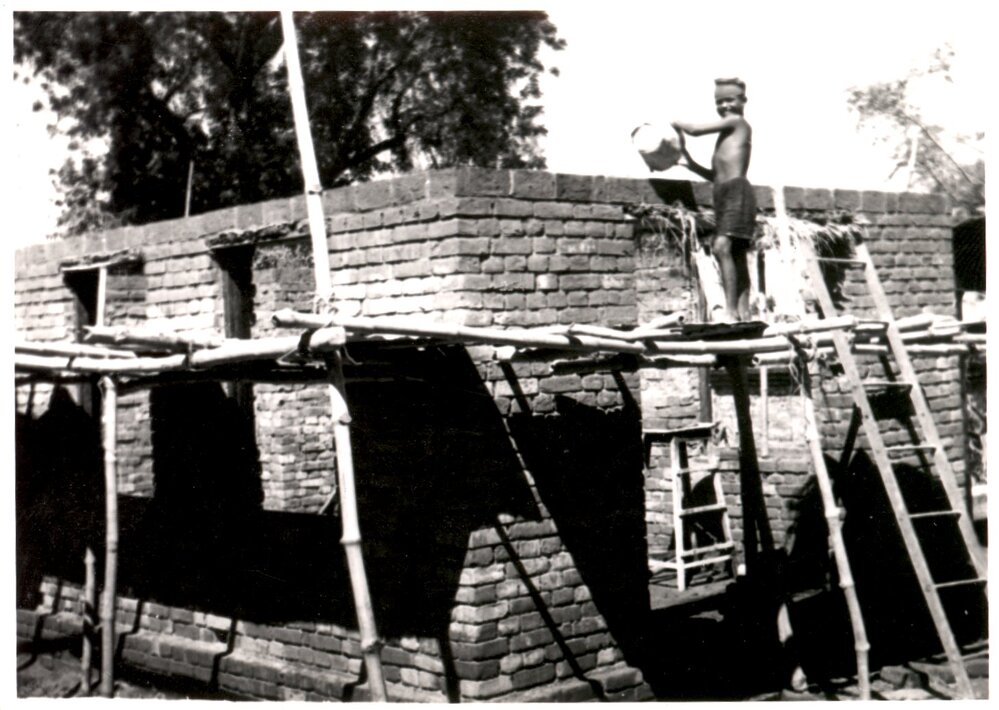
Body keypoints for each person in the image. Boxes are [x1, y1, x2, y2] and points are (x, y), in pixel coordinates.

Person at [672, 78, 757, 322]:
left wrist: (676, 123)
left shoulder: (737, 123)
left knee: (721, 247)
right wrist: (690, 163)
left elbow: (695, 130)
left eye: (730, 99)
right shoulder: (726, 134)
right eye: (719, 102)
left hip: (737, 192)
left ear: (743, 101)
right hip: (724, 193)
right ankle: (744, 313)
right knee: (736, 254)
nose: (725, 106)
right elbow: (716, 176)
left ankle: (730, 312)